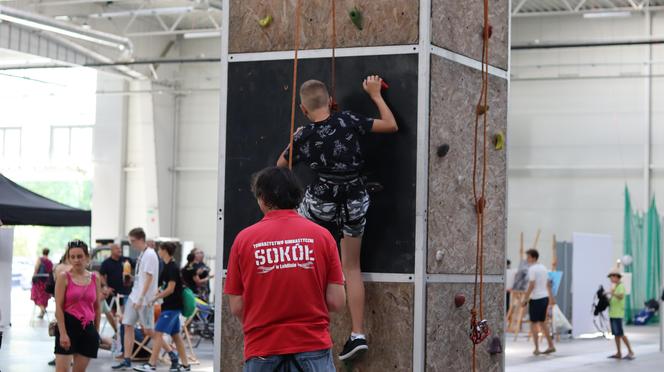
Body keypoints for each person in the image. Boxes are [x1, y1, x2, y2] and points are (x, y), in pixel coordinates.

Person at [276, 76, 397, 360]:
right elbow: (390, 124)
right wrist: (375, 94)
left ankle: (307, 325)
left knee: (305, 246)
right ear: (330, 101)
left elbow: (280, 168)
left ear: (303, 110)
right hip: (354, 198)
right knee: (351, 267)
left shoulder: (303, 135)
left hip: (322, 201)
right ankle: (357, 334)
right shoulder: (348, 120)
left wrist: (298, 140)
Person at [225, 167, 346, 371]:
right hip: (313, 347)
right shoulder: (322, 237)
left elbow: (237, 306)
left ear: (262, 198)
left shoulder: (243, 240)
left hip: (262, 349)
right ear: (297, 196)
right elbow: (337, 301)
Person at [134, 241, 190, 372]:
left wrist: (155, 298)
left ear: (164, 250)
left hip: (172, 306)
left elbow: (170, 289)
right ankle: (186, 366)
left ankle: (152, 364)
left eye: (160, 249)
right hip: (170, 307)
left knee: (158, 333)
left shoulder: (172, 268)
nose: (158, 251)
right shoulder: (166, 266)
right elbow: (162, 286)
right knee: (176, 336)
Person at [112, 228, 159, 370]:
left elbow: (150, 278)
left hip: (144, 300)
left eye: (132, 241)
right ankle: (127, 359)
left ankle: (171, 354)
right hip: (134, 296)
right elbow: (142, 278)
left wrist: (141, 298)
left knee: (149, 331)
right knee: (127, 325)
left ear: (140, 239)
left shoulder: (150, 254)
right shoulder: (142, 255)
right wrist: (131, 280)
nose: (131, 244)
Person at [54, 240, 102, 372]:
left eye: (80, 256)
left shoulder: (94, 278)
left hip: (88, 328)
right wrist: (63, 333)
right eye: (72, 257)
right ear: (68, 259)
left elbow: (97, 307)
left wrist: (96, 333)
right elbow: (58, 307)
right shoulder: (64, 277)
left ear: (87, 257)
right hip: (68, 326)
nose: (76, 260)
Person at [522, 249, 556, 355]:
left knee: (533, 324)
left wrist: (525, 299)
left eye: (528, 257)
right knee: (542, 322)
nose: (527, 259)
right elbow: (548, 284)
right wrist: (551, 298)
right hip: (544, 298)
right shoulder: (544, 268)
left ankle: (536, 348)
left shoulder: (532, 269)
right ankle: (551, 345)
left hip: (536, 298)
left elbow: (532, 285)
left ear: (533, 257)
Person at [607, 269, 635, 360]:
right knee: (616, 334)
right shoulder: (615, 287)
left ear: (616, 277)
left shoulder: (621, 286)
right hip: (613, 314)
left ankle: (630, 351)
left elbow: (621, 296)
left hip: (618, 314)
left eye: (611, 277)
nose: (611, 279)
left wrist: (612, 293)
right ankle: (619, 352)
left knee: (621, 334)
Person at [100, 244, 133, 309]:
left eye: (120, 248)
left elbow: (137, 267)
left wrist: (132, 277)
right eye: (117, 248)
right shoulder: (106, 263)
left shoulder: (126, 260)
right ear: (112, 250)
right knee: (112, 313)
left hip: (125, 292)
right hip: (113, 293)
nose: (119, 250)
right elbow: (101, 276)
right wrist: (106, 287)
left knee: (125, 313)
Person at [31, 248, 54, 318]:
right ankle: (42, 312)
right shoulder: (50, 262)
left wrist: (33, 276)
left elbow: (36, 268)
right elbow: (51, 271)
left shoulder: (40, 259)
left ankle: (42, 310)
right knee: (44, 297)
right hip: (46, 281)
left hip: (39, 281)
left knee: (37, 295)